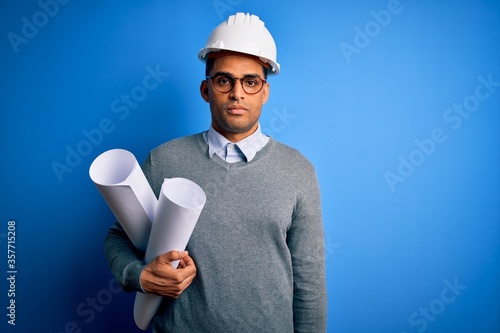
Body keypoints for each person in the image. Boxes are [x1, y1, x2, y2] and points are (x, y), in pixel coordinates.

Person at [104, 12, 327, 333]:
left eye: (251, 82)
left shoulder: (298, 170)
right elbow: (118, 237)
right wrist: (138, 276)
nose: (237, 93)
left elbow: (309, 279)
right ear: (206, 90)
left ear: (265, 92)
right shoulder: (164, 160)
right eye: (224, 80)